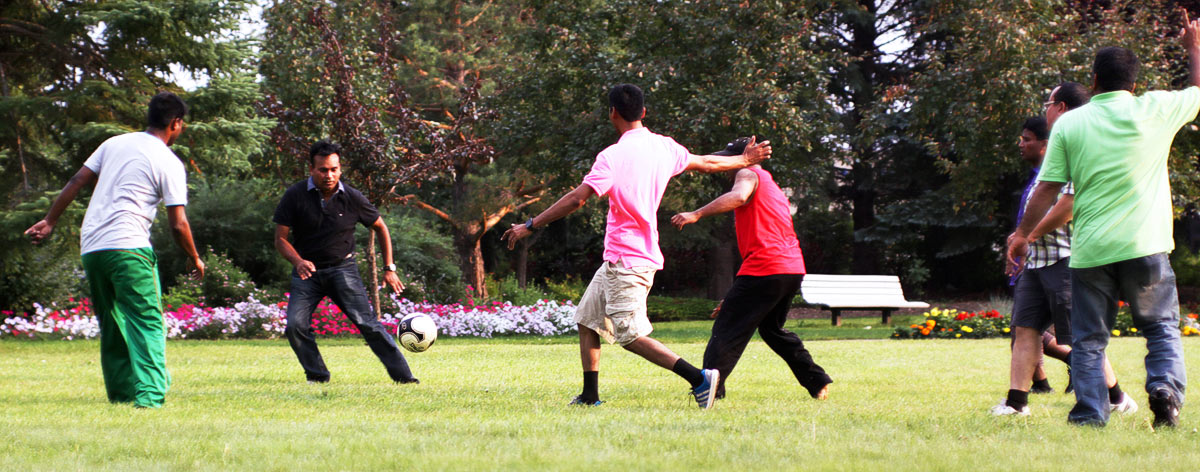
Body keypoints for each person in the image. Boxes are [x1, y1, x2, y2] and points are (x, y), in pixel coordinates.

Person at [501, 84, 771, 409]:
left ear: (612, 113)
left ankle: (699, 378)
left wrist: (529, 225)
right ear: (643, 112)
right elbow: (709, 163)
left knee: (629, 335)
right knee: (587, 320)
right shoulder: (664, 147)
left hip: (629, 260)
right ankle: (590, 396)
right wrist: (744, 158)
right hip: (619, 259)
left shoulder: (611, 157)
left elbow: (576, 199)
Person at [1008, 17, 1200, 427]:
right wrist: (1193, 48)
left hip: (1092, 251)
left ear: (1093, 80)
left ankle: (1090, 415)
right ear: (1134, 82)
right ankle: (1164, 390)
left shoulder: (1070, 124)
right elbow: (1198, 90)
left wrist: (1023, 234)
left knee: (1088, 340)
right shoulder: (1156, 109)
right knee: (1161, 329)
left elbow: (1047, 189)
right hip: (1146, 245)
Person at [25, 92, 205, 409]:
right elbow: (178, 224)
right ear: (176, 123)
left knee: (112, 321)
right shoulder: (168, 162)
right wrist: (194, 257)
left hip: (93, 246)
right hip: (129, 247)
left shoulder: (114, 144)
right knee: (146, 320)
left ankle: (122, 394)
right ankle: (149, 398)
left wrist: (50, 221)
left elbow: (77, 180)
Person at [993, 110, 1134, 416]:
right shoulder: (1043, 173)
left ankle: (1118, 398)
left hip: (1065, 261)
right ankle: (1016, 404)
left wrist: (1027, 236)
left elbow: (1067, 208)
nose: (1021, 144)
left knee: (1081, 337)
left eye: (1027, 139)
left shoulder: (1071, 160)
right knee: (1024, 331)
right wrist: (1019, 239)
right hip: (1037, 263)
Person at [671, 137, 832, 403]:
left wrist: (696, 214)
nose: (726, 164)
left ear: (746, 156)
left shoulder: (747, 173)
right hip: (789, 268)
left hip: (766, 267)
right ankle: (817, 381)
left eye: (729, 158)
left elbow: (739, 197)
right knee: (773, 330)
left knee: (726, 331)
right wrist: (736, 297)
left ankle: (710, 391)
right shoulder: (770, 183)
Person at [273, 140, 417, 384]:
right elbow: (280, 239)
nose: (329, 175)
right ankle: (317, 376)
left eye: (334, 169)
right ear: (311, 169)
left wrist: (389, 268)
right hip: (307, 273)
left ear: (340, 169)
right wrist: (298, 261)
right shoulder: (295, 196)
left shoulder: (352, 197)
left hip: (343, 270)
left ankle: (404, 377)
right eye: (323, 170)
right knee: (295, 325)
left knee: (368, 325)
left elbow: (381, 228)